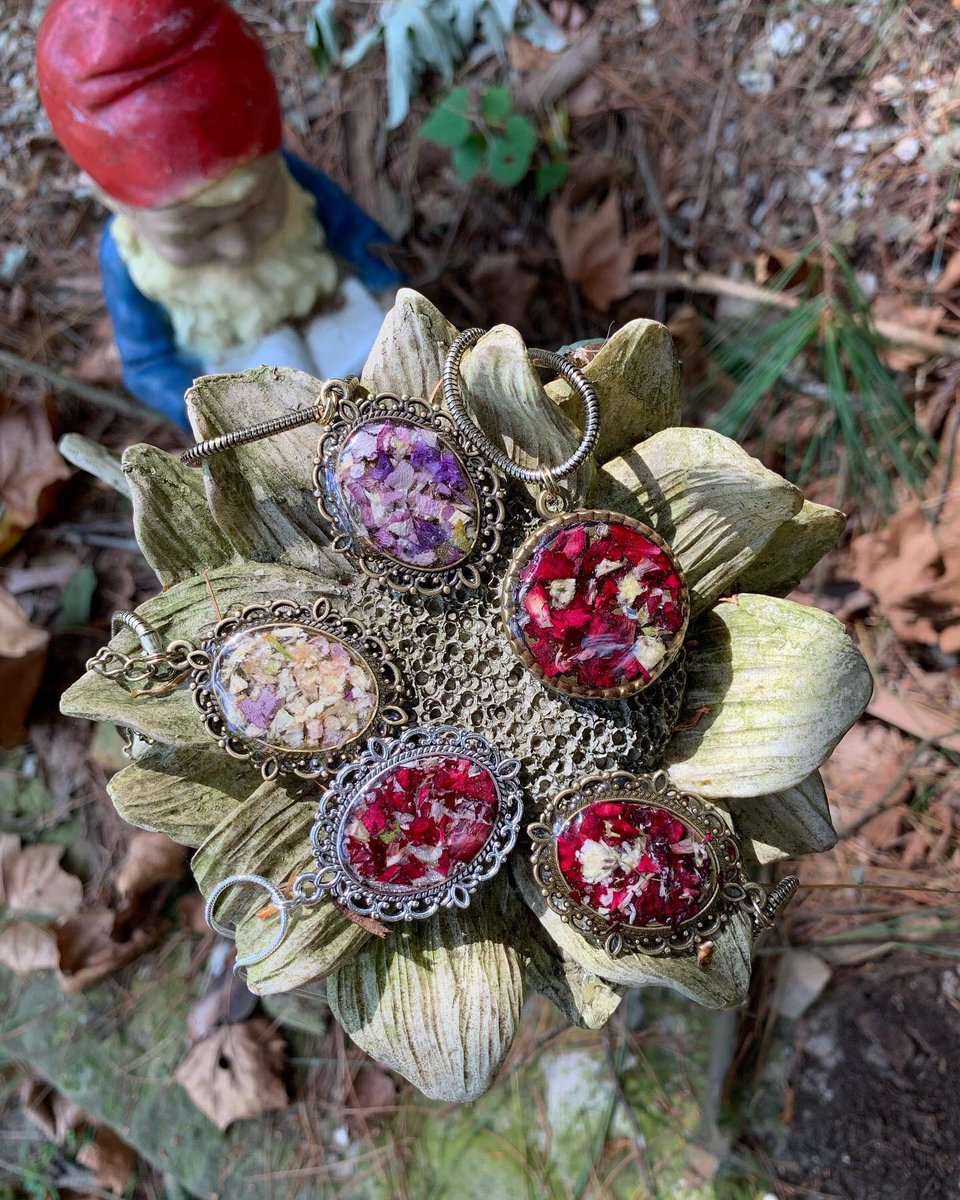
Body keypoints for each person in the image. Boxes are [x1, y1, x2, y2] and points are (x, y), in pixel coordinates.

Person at [37, 0, 403, 428]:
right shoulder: (125, 258)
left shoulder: (292, 177)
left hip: (342, 326)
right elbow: (146, 364)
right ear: (118, 205)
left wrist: (386, 287)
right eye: (194, 232)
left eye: (259, 205)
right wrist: (208, 413)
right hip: (243, 384)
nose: (238, 244)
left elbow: (355, 235)